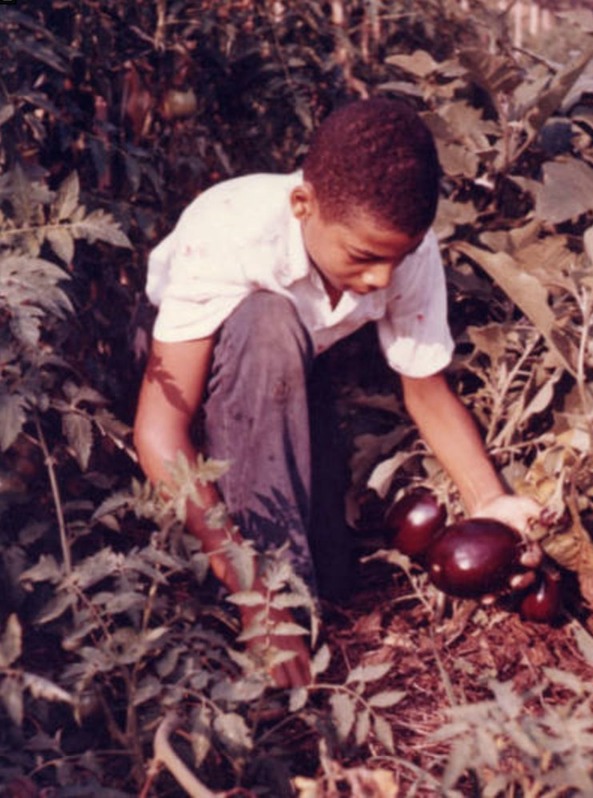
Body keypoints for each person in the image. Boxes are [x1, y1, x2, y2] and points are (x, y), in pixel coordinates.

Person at [133, 97, 542, 689]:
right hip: (175, 363)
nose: (380, 279)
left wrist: (490, 501)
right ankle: (261, 655)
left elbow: (424, 391)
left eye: (395, 260)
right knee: (268, 324)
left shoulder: (402, 248)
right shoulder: (228, 231)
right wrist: (254, 588)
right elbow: (160, 427)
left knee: (334, 573)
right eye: (365, 258)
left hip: (280, 376)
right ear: (303, 205)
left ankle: (291, 598)